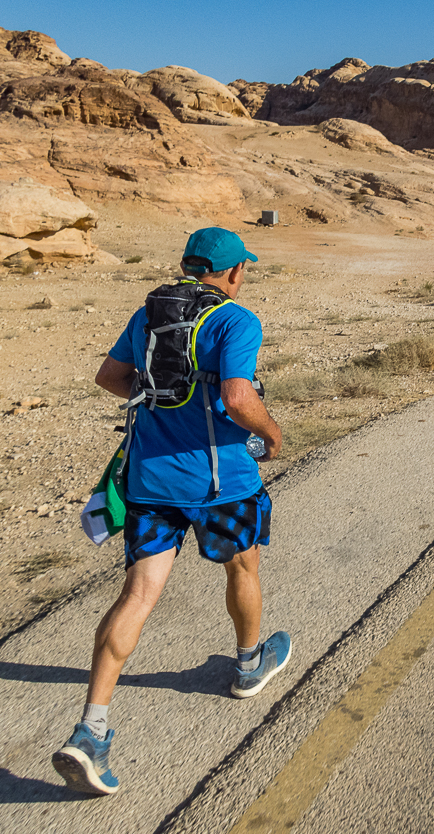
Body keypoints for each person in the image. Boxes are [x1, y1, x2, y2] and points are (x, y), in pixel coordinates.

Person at [52, 227, 286, 796]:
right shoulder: (236, 320)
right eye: (242, 268)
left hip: (150, 480)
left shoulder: (148, 315)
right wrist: (272, 431)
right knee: (243, 568)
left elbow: (111, 377)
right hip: (220, 481)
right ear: (232, 272)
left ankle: (91, 730)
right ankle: (250, 664)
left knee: (137, 596)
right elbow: (236, 397)